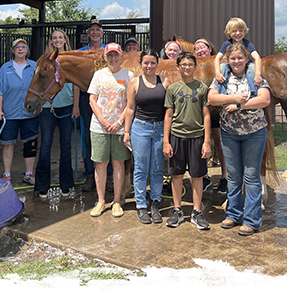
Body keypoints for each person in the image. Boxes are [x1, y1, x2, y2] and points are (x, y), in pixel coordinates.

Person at [208, 42, 271, 236]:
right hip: (229, 133)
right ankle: (233, 214)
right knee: (234, 176)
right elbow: (212, 99)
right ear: (228, 60)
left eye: (240, 58)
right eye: (233, 58)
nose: (236, 62)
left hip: (254, 133)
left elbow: (265, 99)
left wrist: (241, 107)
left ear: (246, 59)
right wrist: (235, 99)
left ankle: (251, 220)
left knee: (251, 177)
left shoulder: (255, 75)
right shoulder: (221, 77)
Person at [163, 52, 211, 230]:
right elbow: (168, 116)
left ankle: (197, 212)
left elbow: (206, 115)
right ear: (178, 67)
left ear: (195, 67)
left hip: (197, 137)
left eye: (190, 64)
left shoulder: (202, 88)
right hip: (177, 136)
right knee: (176, 175)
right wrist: (166, 141)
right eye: (183, 64)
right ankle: (177, 210)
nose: (187, 67)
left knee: (197, 176)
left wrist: (207, 142)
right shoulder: (173, 88)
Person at [124, 49, 171, 224]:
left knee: (157, 169)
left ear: (158, 64)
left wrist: (167, 135)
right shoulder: (135, 82)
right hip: (140, 128)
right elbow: (130, 108)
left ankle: (155, 203)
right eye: (146, 63)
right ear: (140, 64)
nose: (149, 66)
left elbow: (168, 111)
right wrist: (127, 132)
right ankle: (141, 206)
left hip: (159, 129)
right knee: (141, 169)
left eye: (152, 63)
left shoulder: (165, 82)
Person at [87, 42, 134, 218]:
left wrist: (120, 122)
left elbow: (131, 102)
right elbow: (92, 99)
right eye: (110, 55)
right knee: (100, 163)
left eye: (116, 55)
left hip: (120, 128)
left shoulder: (128, 75)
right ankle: (100, 201)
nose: (113, 58)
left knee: (118, 163)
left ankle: (116, 201)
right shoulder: (99, 75)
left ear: (122, 57)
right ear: (105, 57)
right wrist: (103, 120)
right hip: (99, 127)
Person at [0, 38, 39, 184]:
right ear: (13, 50)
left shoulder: (34, 67)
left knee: (31, 143)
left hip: (30, 112)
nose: (20, 49)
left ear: (27, 50)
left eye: (23, 47)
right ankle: (7, 175)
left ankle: (29, 174)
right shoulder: (5, 69)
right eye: (17, 47)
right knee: (8, 143)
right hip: (9, 113)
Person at [34, 30, 75, 199]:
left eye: (61, 37)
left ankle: (66, 185)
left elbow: (77, 84)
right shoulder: (44, 59)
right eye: (54, 38)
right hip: (47, 107)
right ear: (50, 41)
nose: (58, 40)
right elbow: (38, 82)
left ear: (65, 40)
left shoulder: (72, 59)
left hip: (67, 105)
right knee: (45, 145)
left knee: (66, 146)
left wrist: (76, 106)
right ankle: (42, 185)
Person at [73, 17, 106, 192]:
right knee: (88, 136)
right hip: (87, 99)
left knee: (108, 135)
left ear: (101, 33)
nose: (95, 32)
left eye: (97, 30)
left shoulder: (109, 52)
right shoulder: (81, 53)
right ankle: (89, 174)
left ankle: (107, 176)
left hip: (107, 100)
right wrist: (76, 105)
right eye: (92, 30)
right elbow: (76, 81)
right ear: (88, 33)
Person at [194, 38, 228, 195]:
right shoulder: (193, 66)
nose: (199, 50)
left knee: (220, 143)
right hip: (199, 112)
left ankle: (225, 177)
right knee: (201, 143)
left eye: (202, 47)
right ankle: (205, 176)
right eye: (197, 48)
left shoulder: (219, 64)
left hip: (216, 111)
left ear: (210, 49)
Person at [214, 17, 263, 96]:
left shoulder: (247, 43)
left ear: (245, 31)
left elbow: (257, 57)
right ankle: (222, 91)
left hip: (245, 65)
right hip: (232, 65)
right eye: (234, 31)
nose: (238, 33)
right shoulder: (227, 44)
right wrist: (218, 73)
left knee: (252, 67)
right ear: (229, 33)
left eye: (241, 30)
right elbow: (217, 58)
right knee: (223, 66)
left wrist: (258, 74)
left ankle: (253, 91)